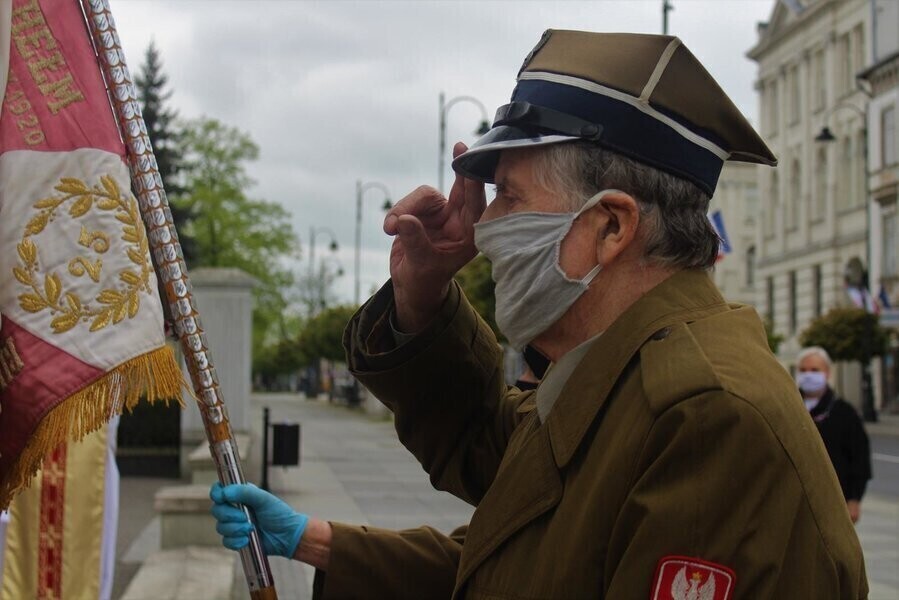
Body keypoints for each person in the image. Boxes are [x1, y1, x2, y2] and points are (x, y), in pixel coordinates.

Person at [212, 30, 867, 598]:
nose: (483, 226)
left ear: (609, 226)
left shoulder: (704, 416)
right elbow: (513, 547)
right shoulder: (613, 372)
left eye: (510, 198)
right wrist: (423, 295)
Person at [797, 346, 873, 523]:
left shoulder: (844, 412)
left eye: (815, 370)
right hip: (795, 500)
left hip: (835, 500)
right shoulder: (788, 408)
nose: (808, 375)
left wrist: (854, 499)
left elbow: (860, 458)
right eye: (803, 370)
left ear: (827, 373)